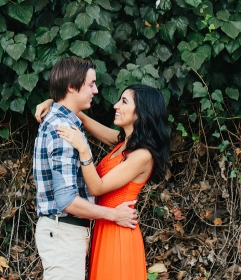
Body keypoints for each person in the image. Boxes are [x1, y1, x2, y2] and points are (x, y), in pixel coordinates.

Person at [35, 83, 170, 280]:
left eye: (124, 101)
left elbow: (97, 187)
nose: (115, 105)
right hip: (105, 225)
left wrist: (83, 150)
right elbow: (80, 116)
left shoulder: (142, 155)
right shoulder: (123, 143)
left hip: (119, 231)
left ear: (141, 113)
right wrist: (51, 102)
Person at [32, 57, 139, 280]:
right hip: (64, 231)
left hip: (70, 232)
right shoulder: (63, 131)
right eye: (91, 84)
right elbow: (66, 200)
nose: (97, 90)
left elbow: (75, 112)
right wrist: (114, 215)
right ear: (72, 87)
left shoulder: (67, 123)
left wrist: (53, 102)